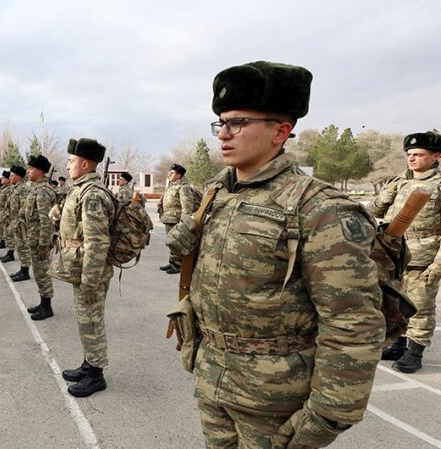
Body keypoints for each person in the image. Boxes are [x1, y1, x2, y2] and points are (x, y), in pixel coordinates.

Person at [167, 61, 385, 448]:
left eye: (238, 123)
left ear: (280, 131)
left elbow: (352, 321)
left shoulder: (318, 207)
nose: (224, 135)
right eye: (221, 123)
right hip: (213, 378)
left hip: (276, 398)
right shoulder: (219, 192)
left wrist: (328, 416)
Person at [367, 131, 441, 373]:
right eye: (409, 155)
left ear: (436, 156)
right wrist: (384, 196)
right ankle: (398, 343)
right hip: (394, 255)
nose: (411, 159)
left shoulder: (438, 185)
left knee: (420, 305)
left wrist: (438, 265)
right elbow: (373, 212)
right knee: (395, 303)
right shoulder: (399, 182)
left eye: (418, 154)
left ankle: (415, 351)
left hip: (423, 257)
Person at [52, 138, 115, 398]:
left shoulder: (92, 195)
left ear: (85, 163)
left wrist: (90, 280)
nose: (67, 166)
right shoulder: (80, 189)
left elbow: (97, 242)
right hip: (80, 267)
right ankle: (90, 363)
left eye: (71, 161)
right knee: (84, 320)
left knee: (91, 321)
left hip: (90, 271)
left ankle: (96, 375)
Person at [24, 155, 57, 319]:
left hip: (40, 241)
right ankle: (42, 303)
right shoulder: (35, 188)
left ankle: (47, 307)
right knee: (38, 272)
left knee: (43, 272)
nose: (28, 171)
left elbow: (47, 220)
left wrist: (44, 244)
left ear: (40, 171)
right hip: (34, 238)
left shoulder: (43, 191)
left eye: (31, 168)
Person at [158, 164, 195, 274]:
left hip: (177, 220)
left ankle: (178, 266)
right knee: (171, 243)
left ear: (179, 175)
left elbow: (187, 207)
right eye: (169, 172)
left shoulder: (183, 188)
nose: (169, 174)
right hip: (169, 219)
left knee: (177, 243)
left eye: (172, 173)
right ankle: (172, 263)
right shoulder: (170, 187)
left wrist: (184, 222)